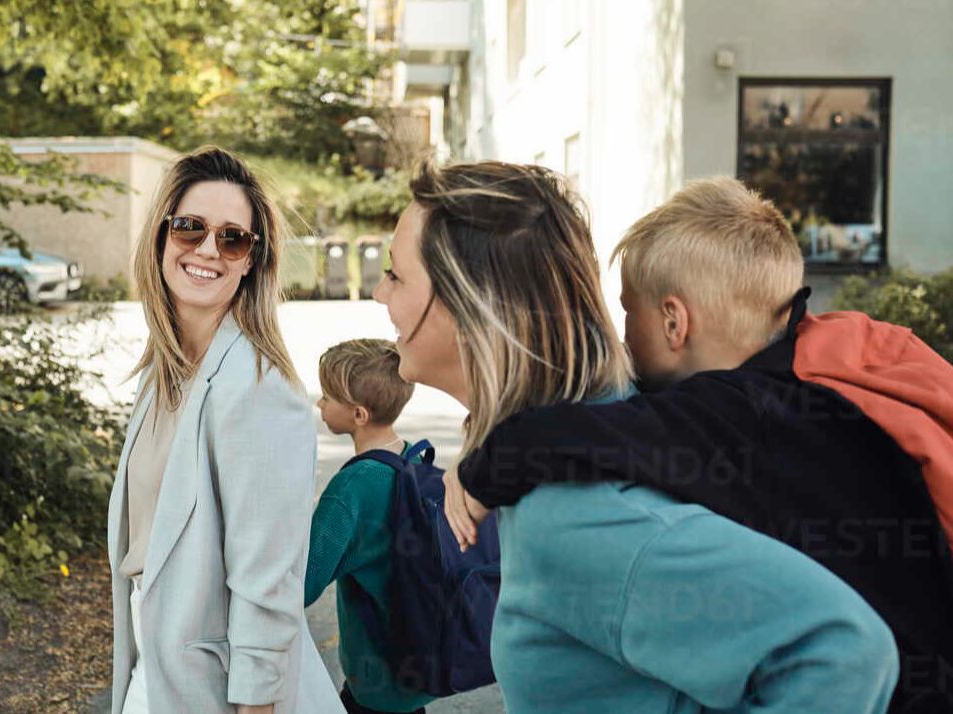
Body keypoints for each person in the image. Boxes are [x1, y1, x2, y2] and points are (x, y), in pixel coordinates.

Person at [372, 160, 899, 713]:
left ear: (470, 305)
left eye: (396, 275)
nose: (381, 293)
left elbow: (845, 652)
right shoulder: (603, 428)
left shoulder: (573, 513)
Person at [107, 146, 342, 714]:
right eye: (190, 227)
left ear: (250, 261)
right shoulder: (163, 373)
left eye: (232, 238)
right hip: (155, 670)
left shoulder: (258, 389)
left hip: (221, 690)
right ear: (161, 236)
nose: (208, 249)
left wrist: (255, 706)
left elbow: (267, 586)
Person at [304, 338, 434, 714]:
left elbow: (302, 585)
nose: (319, 404)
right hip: (418, 666)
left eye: (328, 396)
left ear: (359, 415)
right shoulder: (417, 462)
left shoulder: (351, 489)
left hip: (375, 682)